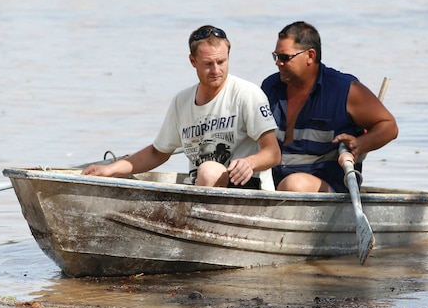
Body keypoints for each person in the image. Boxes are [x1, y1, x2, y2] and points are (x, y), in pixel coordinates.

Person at [83, 25, 281, 190]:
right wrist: (110, 169)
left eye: (221, 62)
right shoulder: (182, 101)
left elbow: (273, 152)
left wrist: (250, 163)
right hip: (199, 188)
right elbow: (158, 152)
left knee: (209, 169)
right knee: (205, 171)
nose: (216, 70)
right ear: (192, 61)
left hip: (247, 189)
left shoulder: (248, 94)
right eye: (208, 64)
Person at [260, 21, 398, 193]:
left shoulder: (344, 90)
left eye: (285, 58)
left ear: (310, 55)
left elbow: (389, 126)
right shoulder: (270, 87)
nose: (278, 63)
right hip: (274, 186)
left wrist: (359, 144)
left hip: (327, 188)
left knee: (294, 184)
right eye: (276, 57)